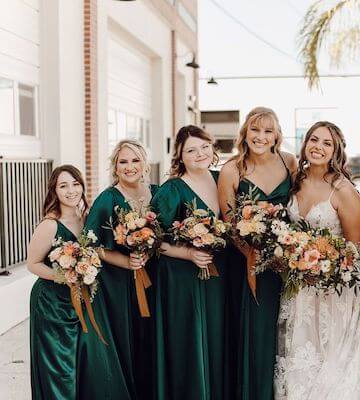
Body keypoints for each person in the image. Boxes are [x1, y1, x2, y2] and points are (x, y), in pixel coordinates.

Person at [274, 121, 360, 399]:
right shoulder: (295, 181)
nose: (318, 147)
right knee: (298, 356)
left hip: (333, 292)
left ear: (336, 150)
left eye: (327, 143)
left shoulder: (342, 190)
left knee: (329, 361)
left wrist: (323, 263)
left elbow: (355, 249)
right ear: (305, 144)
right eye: (314, 140)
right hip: (298, 290)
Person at [218, 107, 297, 399]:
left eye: (267, 131)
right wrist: (255, 256)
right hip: (248, 265)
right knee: (258, 335)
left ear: (276, 134)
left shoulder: (290, 162)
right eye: (255, 130)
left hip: (287, 264)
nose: (261, 137)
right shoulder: (232, 170)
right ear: (245, 133)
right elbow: (229, 224)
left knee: (287, 330)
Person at [150, 125, 227, 399]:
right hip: (184, 278)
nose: (200, 154)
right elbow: (151, 238)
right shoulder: (172, 188)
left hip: (220, 277)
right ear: (180, 156)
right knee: (191, 340)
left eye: (205, 147)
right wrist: (188, 253)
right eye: (191, 150)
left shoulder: (221, 179)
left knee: (217, 338)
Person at [80, 139, 157, 399]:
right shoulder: (108, 198)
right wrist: (125, 261)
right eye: (123, 161)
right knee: (128, 340)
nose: (129, 166)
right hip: (119, 285)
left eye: (135, 160)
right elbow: (90, 245)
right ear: (115, 166)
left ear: (144, 163)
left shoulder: (156, 194)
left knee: (153, 339)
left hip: (154, 279)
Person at [28, 165, 88, 399]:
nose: (71, 190)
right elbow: (33, 264)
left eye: (75, 184)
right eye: (63, 186)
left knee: (78, 365)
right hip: (51, 303)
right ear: (55, 191)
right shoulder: (50, 224)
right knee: (57, 367)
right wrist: (65, 276)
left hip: (79, 302)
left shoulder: (86, 219)